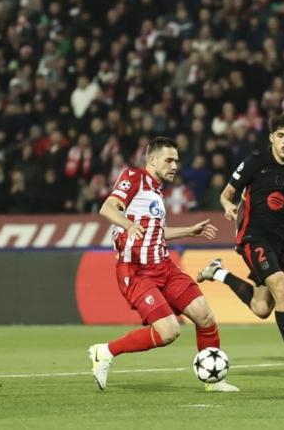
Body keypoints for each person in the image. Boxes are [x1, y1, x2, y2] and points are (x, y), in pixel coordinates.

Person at [88, 136, 238, 392]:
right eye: (169, 160)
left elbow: (156, 232)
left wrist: (189, 231)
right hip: (136, 271)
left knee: (205, 315)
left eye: (177, 161)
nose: (174, 166)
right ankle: (104, 352)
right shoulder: (133, 177)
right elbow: (107, 208)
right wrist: (128, 224)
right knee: (168, 332)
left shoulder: (157, 192)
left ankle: (213, 381)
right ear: (152, 160)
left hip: (164, 266)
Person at [197, 112, 284, 377]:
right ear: (271, 138)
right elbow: (227, 193)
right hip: (252, 238)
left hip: (279, 246)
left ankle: (217, 272)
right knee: (283, 288)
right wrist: (228, 206)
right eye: (280, 136)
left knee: (262, 307)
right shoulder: (256, 162)